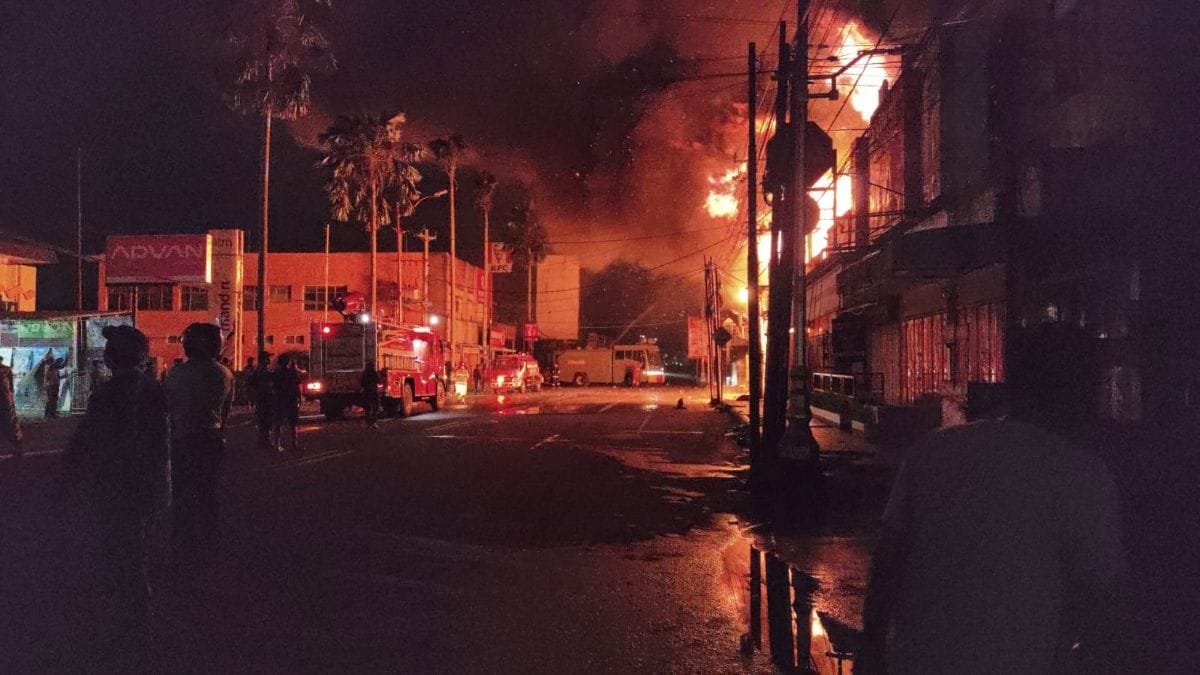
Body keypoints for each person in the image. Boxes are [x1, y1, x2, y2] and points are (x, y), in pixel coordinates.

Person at [860, 323, 1128, 674]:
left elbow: (887, 564)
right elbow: (1103, 598)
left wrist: (871, 652)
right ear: (1082, 390)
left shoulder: (934, 452)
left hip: (917, 661)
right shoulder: (1082, 474)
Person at [60, 325, 169, 644]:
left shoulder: (109, 394)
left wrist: (66, 480)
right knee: (135, 549)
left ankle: (132, 624)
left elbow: (87, 439)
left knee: (121, 553)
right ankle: (135, 618)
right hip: (146, 485)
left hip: (115, 485)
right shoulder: (153, 389)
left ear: (112, 357)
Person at [164, 323, 233, 559]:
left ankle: (182, 542)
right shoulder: (224, 373)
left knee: (182, 493)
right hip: (211, 437)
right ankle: (209, 542)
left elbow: (168, 406)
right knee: (208, 492)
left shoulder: (177, 373)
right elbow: (225, 412)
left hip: (183, 438)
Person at [272, 353, 302, 453]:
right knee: (293, 423)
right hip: (291, 400)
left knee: (278, 422)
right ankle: (294, 444)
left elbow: (273, 387)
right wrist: (299, 398)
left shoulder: (276, 373)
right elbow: (297, 386)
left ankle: (277, 444)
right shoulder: (292, 373)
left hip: (280, 399)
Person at [249, 352, 275, 449]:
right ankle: (265, 441)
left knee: (263, 420)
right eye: (268, 358)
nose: (269, 360)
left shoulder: (258, 371)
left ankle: (263, 441)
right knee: (266, 420)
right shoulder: (263, 371)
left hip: (261, 398)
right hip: (265, 399)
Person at [0, 356, 24, 458]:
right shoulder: (6, 370)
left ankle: (17, 446)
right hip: (6, 399)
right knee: (10, 423)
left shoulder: (6, 370)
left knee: (11, 422)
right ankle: (17, 446)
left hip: (6, 400)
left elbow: (11, 388)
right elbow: (11, 388)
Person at [361, 362, 380, 429]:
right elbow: (378, 380)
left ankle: (368, 423)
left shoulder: (365, 374)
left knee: (367, 408)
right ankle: (374, 422)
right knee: (375, 407)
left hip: (367, 392)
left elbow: (362, 383)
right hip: (374, 392)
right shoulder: (374, 373)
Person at [43, 352, 62, 418]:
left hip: (54, 384)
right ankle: (49, 414)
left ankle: (52, 413)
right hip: (51, 385)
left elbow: (57, 376)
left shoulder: (54, 368)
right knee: (51, 400)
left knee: (53, 399)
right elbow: (48, 376)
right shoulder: (49, 367)